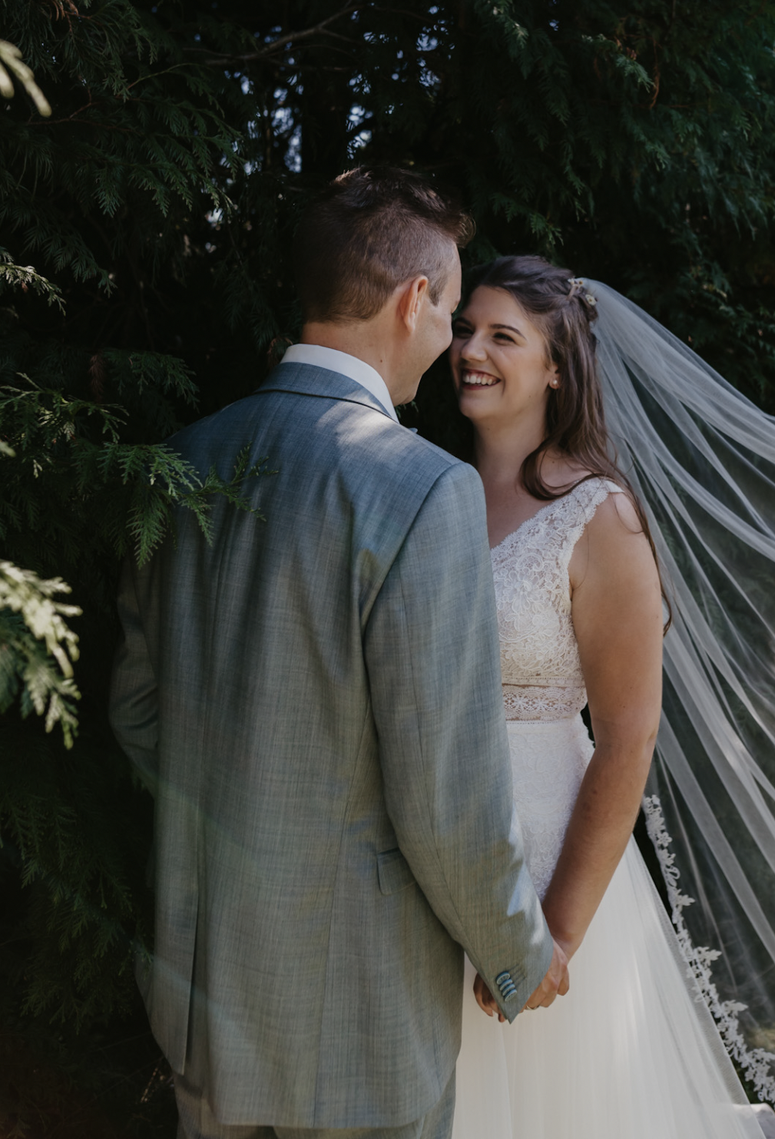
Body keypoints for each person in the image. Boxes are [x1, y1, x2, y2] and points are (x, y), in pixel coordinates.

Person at [108, 170, 567, 1139]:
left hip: (199, 985)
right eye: (448, 314)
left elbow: (139, 711)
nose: (449, 344)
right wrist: (516, 951)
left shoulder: (184, 456)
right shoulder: (420, 488)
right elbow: (444, 792)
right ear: (413, 300)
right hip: (360, 1012)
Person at [446, 255, 772, 1139]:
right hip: (434, 854)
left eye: (502, 336)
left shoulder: (600, 517)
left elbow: (629, 737)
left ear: (557, 366)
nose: (471, 350)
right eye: (466, 329)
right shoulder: (432, 492)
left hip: (547, 862)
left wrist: (555, 935)